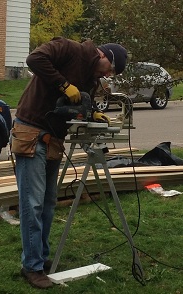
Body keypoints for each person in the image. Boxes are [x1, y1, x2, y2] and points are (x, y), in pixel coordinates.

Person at [11, 36, 127, 289]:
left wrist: (92, 112)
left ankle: (40, 259)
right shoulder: (68, 49)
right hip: (30, 131)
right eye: (111, 69)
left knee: (48, 202)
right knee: (32, 203)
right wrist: (64, 85)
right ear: (105, 55)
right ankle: (31, 266)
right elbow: (34, 59)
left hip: (53, 139)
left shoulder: (92, 79)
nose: (109, 74)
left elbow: (77, 104)